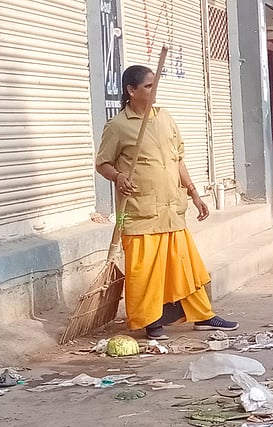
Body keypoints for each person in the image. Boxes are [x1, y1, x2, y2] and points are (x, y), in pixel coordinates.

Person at [95, 65, 238, 340]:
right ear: (131, 91)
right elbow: (102, 164)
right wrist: (119, 176)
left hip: (172, 209)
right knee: (144, 272)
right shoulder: (118, 127)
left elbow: (178, 158)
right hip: (140, 212)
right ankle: (152, 322)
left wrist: (194, 193)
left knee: (185, 266)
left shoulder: (165, 118)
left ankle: (203, 315)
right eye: (148, 86)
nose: (153, 90)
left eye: (154, 84)